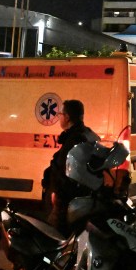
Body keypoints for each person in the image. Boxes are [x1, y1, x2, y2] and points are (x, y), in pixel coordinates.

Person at [43, 99, 99, 233]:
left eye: (60, 114)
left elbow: (63, 170)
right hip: (79, 195)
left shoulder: (73, 139)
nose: (59, 118)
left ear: (67, 117)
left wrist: (56, 194)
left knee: (55, 234)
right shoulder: (86, 134)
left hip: (66, 198)